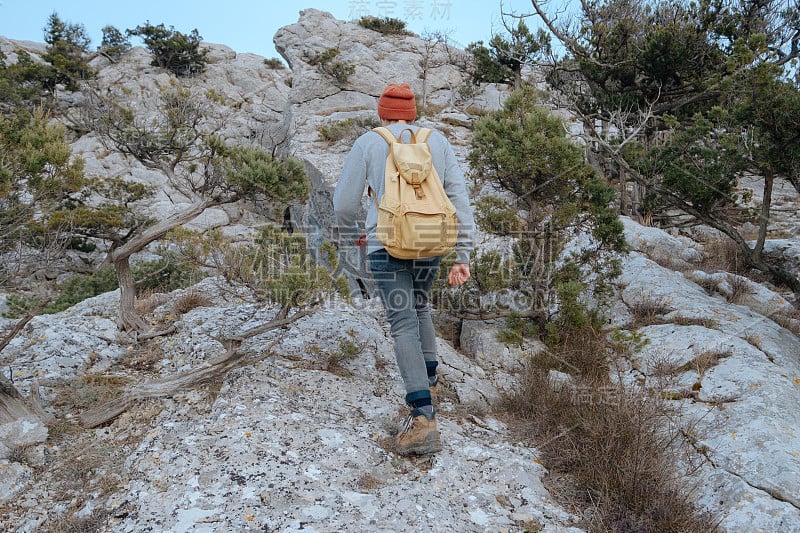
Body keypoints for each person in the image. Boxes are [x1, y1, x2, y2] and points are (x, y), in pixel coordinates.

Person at [333, 82, 476, 456]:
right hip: (430, 239)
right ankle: (429, 382)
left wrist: (356, 234)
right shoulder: (438, 141)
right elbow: (458, 197)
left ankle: (423, 418)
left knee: (401, 322)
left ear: (382, 112)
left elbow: (345, 203)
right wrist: (463, 254)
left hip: (387, 242)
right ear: (411, 113)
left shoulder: (369, 141)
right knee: (420, 305)